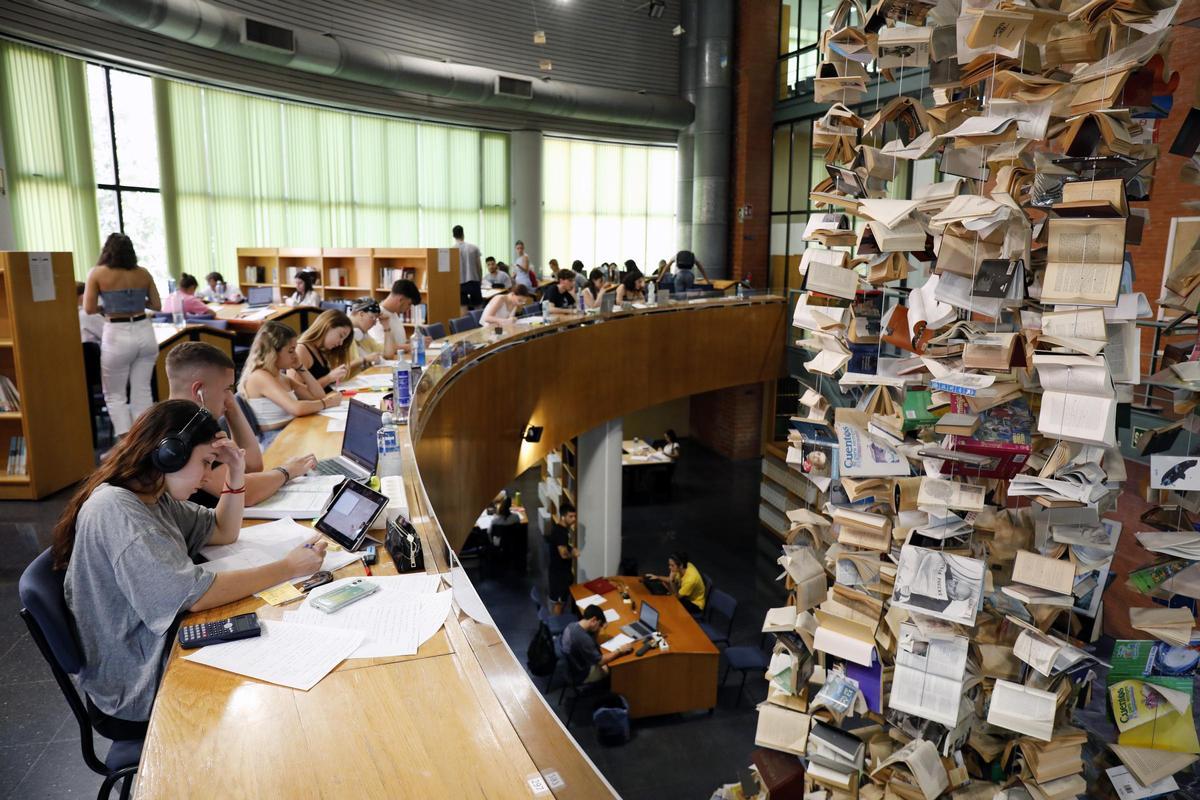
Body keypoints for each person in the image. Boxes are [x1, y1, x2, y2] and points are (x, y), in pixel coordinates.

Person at [52, 399, 327, 739]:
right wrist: (287, 567)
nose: (208, 476)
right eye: (206, 462)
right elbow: (195, 595)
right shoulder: (118, 510)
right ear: (171, 454)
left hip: (154, 646)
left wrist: (236, 472)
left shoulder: (152, 496)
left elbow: (223, 530)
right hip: (137, 687)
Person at [166, 341, 317, 507]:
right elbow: (246, 492)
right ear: (199, 391)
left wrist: (232, 408)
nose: (229, 395)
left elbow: (252, 466)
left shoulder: (197, 420)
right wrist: (288, 471)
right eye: (226, 388)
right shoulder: (181, 430)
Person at [83, 233, 162, 437]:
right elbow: (156, 305)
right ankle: (145, 438)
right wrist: (137, 303)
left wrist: (109, 306)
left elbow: (89, 308)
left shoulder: (97, 273)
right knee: (142, 390)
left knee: (115, 394)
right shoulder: (143, 273)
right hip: (145, 331)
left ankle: (126, 441)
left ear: (107, 251)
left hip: (117, 334)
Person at [239, 321, 340, 447]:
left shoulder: (282, 377)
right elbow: (296, 408)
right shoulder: (260, 376)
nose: (295, 356)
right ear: (273, 352)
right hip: (273, 438)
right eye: (291, 351)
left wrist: (300, 367)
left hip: (290, 430)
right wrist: (328, 403)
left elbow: (318, 395)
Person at [562, 605, 636, 686]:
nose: (599, 628)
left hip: (571, 667)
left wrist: (597, 628)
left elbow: (592, 639)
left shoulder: (572, 625)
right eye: (599, 624)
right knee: (612, 667)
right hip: (581, 674)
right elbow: (600, 661)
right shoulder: (584, 638)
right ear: (593, 620)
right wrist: (620, 650)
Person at [295, 309, 353, 389]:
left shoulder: (321, 349)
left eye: (344, 339)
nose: (341, 343)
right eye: (340, 336)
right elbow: (297, 391)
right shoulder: (301, 350)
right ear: (327, 326)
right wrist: (329, 378)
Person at [369, 278, 426, 356]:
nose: (409, 308)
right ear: (401, 300)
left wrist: (416, 341)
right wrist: (413, 346)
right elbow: (383, 347)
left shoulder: (394, 313)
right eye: (409, 304)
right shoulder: (378, 316)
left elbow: (400, 342)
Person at [547, 502, 579, 614]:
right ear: (563, 517)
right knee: (559, 604)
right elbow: (563, 554)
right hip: (559, 576)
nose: (574, 519)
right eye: (571, 516)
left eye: (575, 516)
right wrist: (573, 554)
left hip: (562, 574)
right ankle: (555, 624)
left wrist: (571, 549)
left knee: (562, 601)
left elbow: (565, 547)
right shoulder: (560, 533)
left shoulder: (563, 530)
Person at [346, 297, 388, 370]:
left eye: (376, 319)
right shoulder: (342, 336)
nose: (375, 323)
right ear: (361, 314)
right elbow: (338, 370)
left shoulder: (362, 334)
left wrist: (387, 327)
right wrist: (364, 359)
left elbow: (387, 353)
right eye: (373, 318)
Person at [453, 224, 483, 309]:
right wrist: (480, 280)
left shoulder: (451, 250)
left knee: (463, 307)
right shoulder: (474, 248)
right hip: (473, 280)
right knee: (478, 307)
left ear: (454, 236)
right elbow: (479, 267)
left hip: (459, 283)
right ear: (463, 234)